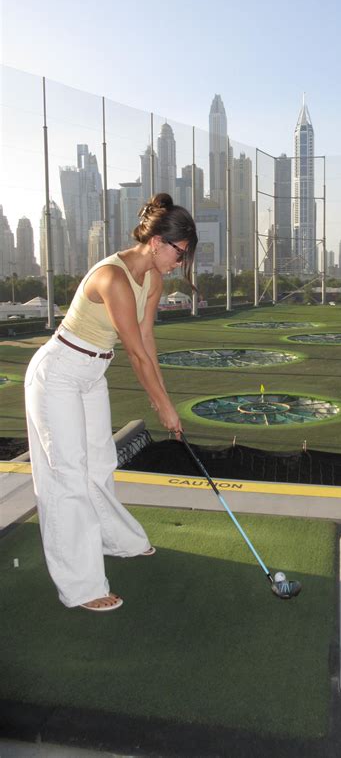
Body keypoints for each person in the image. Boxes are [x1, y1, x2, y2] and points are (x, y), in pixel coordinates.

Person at [25, 194, 197, 612]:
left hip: (91, 373)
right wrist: (162, 407)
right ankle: (81, 586)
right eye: (179, 253)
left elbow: (148, 343)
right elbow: (134, 352)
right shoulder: (113, 277)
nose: (180, 263)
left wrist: (164, 400)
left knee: (100, 464)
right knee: (67, 476)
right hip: (59, 372)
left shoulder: (153, 280)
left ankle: (115, 539)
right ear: (156, 242)